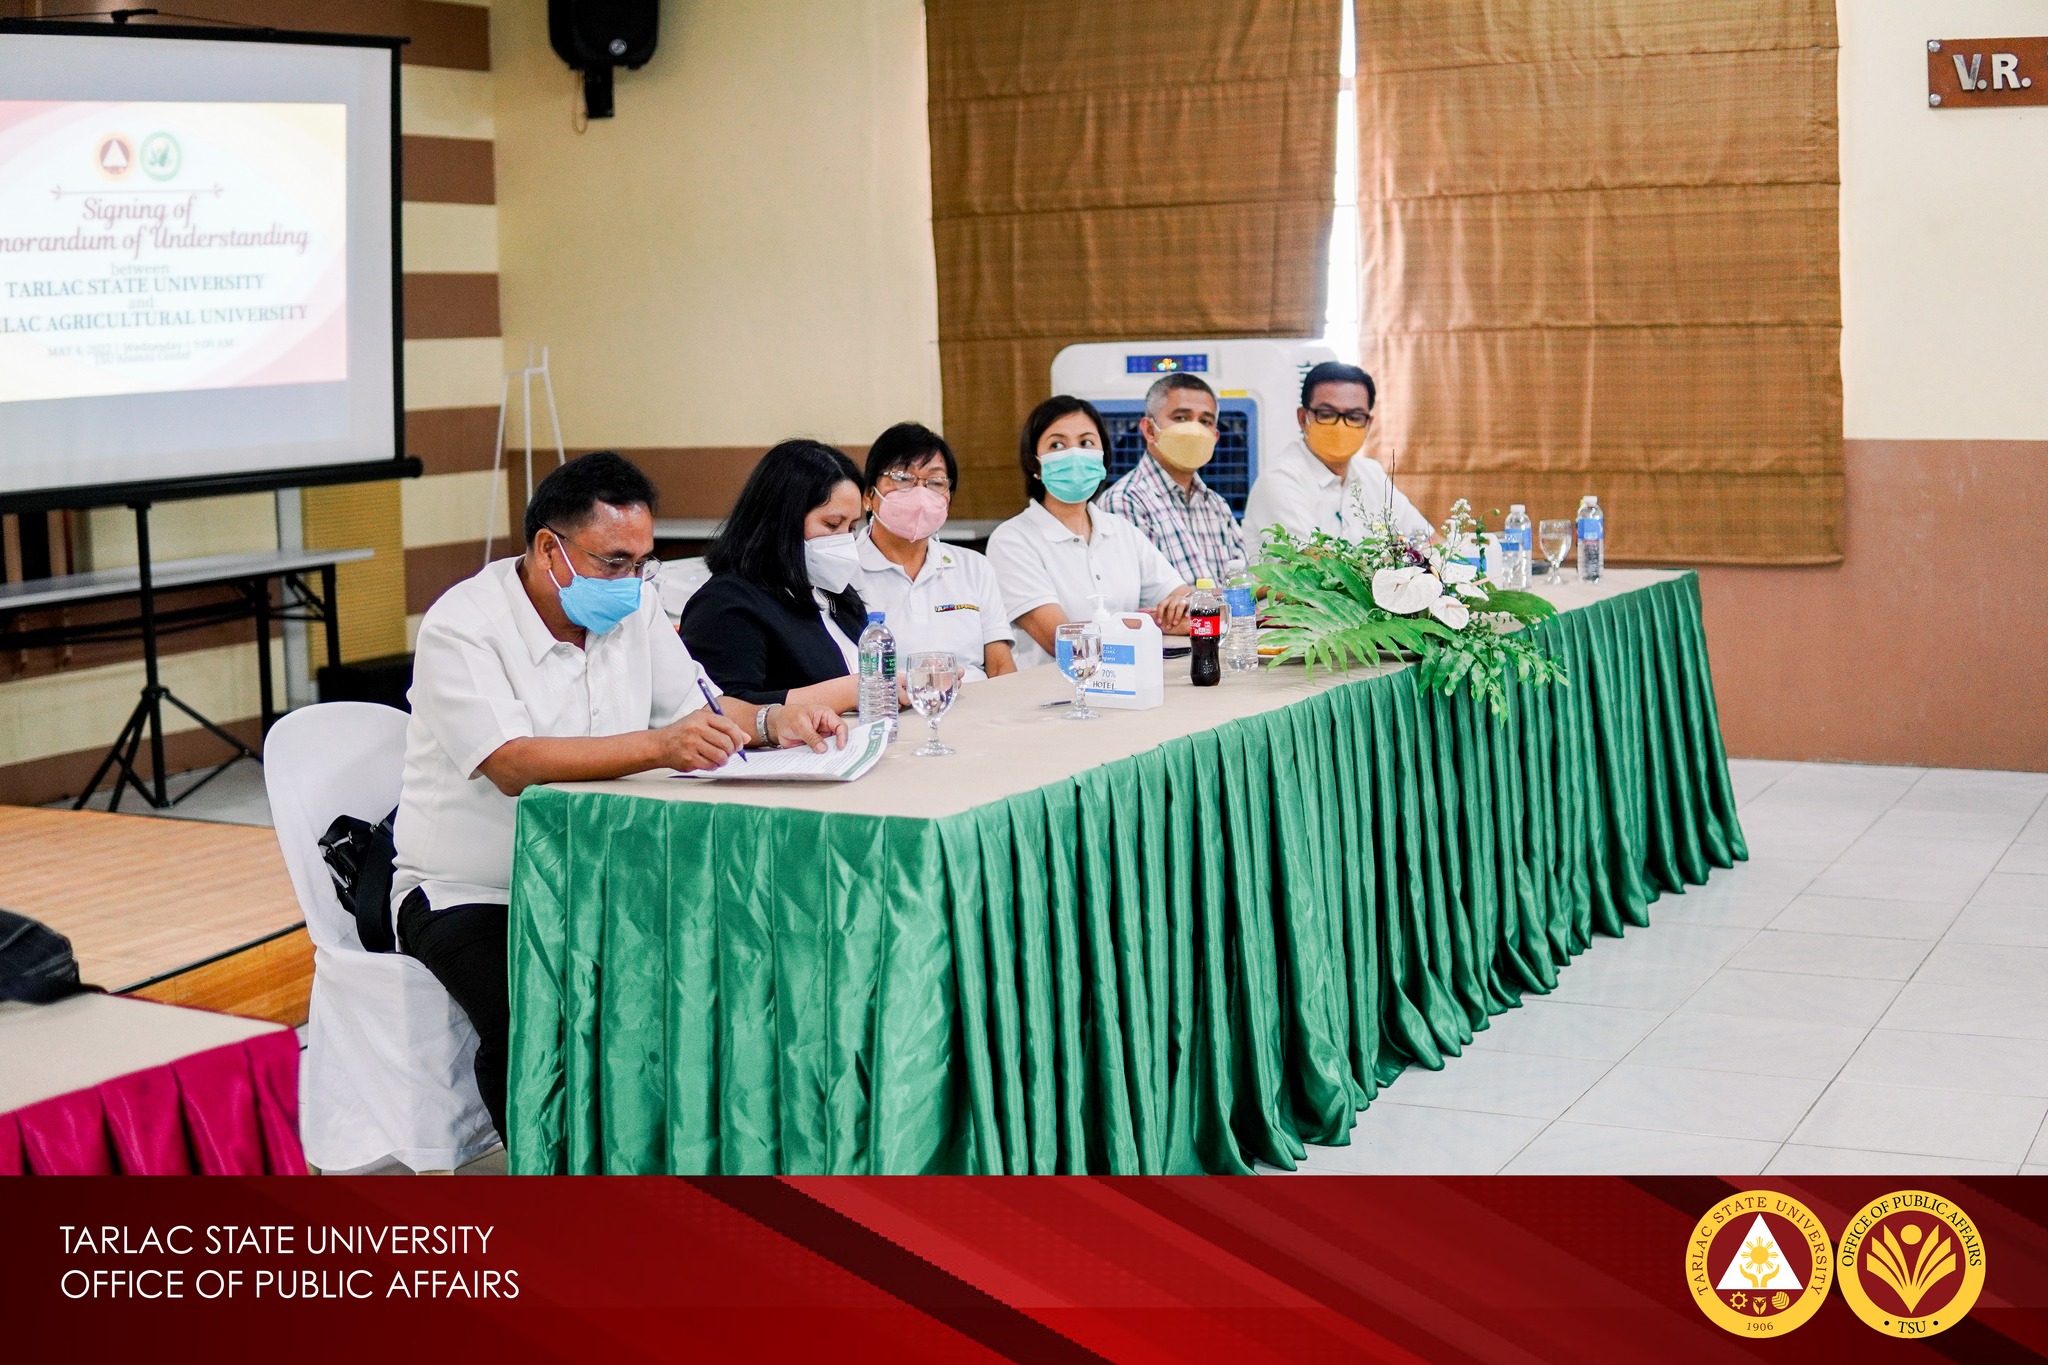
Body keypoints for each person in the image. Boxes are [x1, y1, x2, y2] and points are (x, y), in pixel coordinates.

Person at [392, 451, 846, 1143]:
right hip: (478, 891)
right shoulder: (463, 625)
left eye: (643, 562)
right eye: (614, 562)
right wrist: (660, 746)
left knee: (728, 976)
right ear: (550, 549)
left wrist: (769, 721)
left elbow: (698, 708)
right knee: (534, 1025)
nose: (632, 581)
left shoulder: (634, 606)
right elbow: (512, 763)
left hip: (610, 874)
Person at [985, 395, 1190, 669]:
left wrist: (1179, 610)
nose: (1075, 454)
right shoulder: (1012, 540)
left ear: (1102, 456)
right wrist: (1148, 622)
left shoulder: (1121, 530)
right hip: (1051, 689)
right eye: (1057, 444)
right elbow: (1063, 641)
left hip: (1129, 679)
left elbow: (1184, 605)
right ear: (1035, 463)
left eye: (1086, 443)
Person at [680, 439, 869, 711]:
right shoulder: (726, 604)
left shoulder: (834, 593)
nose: (844, 541)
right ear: (783, 520)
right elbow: (724, 709)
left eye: (851, 528)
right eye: (832, 524)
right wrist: (850, 692)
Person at [855, 422, 1017, 680]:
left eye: (935, 482)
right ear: (868, 495)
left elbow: (1000, 668)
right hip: (888, 702)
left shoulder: (974, 567)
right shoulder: (845, 570)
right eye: (902, 478)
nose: (920, 493)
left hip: (976, 701)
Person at [1241, 360, 1434, 554]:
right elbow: (1316, 562)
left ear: (1368, 424)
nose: (1340, 426)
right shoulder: (1281, 481)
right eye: (1327, 414)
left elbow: (1428, 541)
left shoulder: (1371, 474)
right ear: (1302, 419)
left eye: (1355, 417)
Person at [1097, 371, 1248, 585]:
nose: (1195, 430)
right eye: (1181, 418)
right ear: (1150, 430)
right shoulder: (1125, 501)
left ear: (1215, 437)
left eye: (1205, 421)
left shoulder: (1217, 506)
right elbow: (1141, 595)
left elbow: (1242, 584)